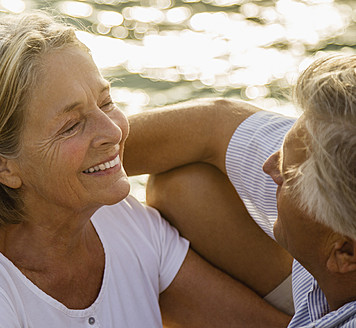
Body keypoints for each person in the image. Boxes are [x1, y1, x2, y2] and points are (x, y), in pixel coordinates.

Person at [0, 12, 290, 328]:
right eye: (71, 125)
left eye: (106, 102)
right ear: (0, 165)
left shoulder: (117, 220)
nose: (114, 131)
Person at [126, 54, 356, 327]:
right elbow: (213, 122)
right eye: (284, 147)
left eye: (290, 177)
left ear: (345, 254)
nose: (270, 167)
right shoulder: (336, 142)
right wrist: (70, 171)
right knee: (187, 186)